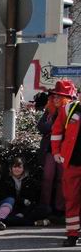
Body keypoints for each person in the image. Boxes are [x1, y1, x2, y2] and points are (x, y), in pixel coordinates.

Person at [50, 79, 81, 247]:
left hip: (72, 162)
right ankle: (72, 234)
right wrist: (57, 154)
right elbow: (56, 132)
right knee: (71, 199)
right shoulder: (69, 109)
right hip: (72, 163)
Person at [38, 80, 75, 217]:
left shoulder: (71, 112)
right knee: (47, 177)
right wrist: (55, 128)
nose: (56, 98)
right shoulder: (49, 111)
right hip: (50, 150)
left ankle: (59, 208)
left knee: (61, 179)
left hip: (65, 150)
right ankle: (45, 207)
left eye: (59, 96)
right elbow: (41, 126)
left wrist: (54, 129)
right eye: (54, 96)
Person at [0, 157, 51, 227]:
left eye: (19, 167)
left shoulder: (30, 180)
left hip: (26, 209)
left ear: (23, 168)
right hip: (11, 208)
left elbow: (32, 200)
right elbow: (6, 197)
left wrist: (23, 213)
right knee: (5, 218)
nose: (17, 169)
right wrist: (21, 200)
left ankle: (20, 220)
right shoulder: (6, 180)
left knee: (46, 209)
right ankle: (35, 223)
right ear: (11, 168)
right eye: (14, 167)